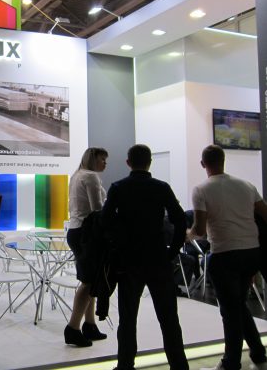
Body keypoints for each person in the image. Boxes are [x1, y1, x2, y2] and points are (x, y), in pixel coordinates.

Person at [101, 144, 188, 370]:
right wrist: (172, 251)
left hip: (129, 261)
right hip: (158, 258)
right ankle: (179, 366)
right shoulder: (162, 187)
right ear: (150, 162)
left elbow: (105, 222)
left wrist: (118, 244)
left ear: (128, 162)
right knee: (169, 318)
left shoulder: (118, 187)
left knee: (128, 318)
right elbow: (180, 220)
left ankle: (125, 365)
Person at [188, 145, 267, 370]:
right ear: (223, 160)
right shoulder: (246, 185)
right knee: (238, 305)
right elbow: (265, 214)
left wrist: (187, 234)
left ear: (203, 164)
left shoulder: (201, 189)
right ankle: (258, 353)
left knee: (230, 311)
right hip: (252, 253)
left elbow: (200, 229)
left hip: (224, 254)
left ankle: (231, 362)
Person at [64, 147, 109, 347]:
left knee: (90, 280)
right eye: (102, 159)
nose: (105, 163)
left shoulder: (77, 176)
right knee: (89, 282)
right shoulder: (91, 177)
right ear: (92, 159)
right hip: (87, 233)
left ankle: (89, 325)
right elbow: (97, 209)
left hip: (76, 230)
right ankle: (73, 328)